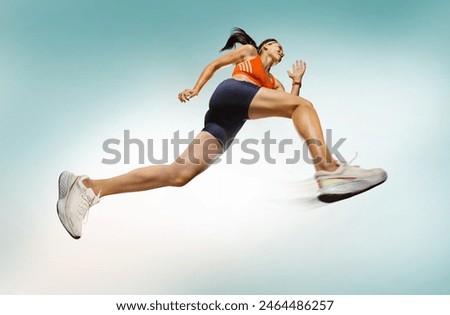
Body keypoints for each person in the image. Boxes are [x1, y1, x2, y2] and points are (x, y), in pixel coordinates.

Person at [57, 28, 387, 239]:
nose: (281, 51)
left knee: (178, 173)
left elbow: (292, 102)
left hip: (228, 123)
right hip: (230, 94)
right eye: (278, 46)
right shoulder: (249, 54)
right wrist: (196, 88)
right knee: (304, 106)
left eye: (283, 49)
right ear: (266, 46)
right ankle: (328, 171)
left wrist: (296, 81)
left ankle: (88, 187)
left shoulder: (273, 83)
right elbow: (216, 67)